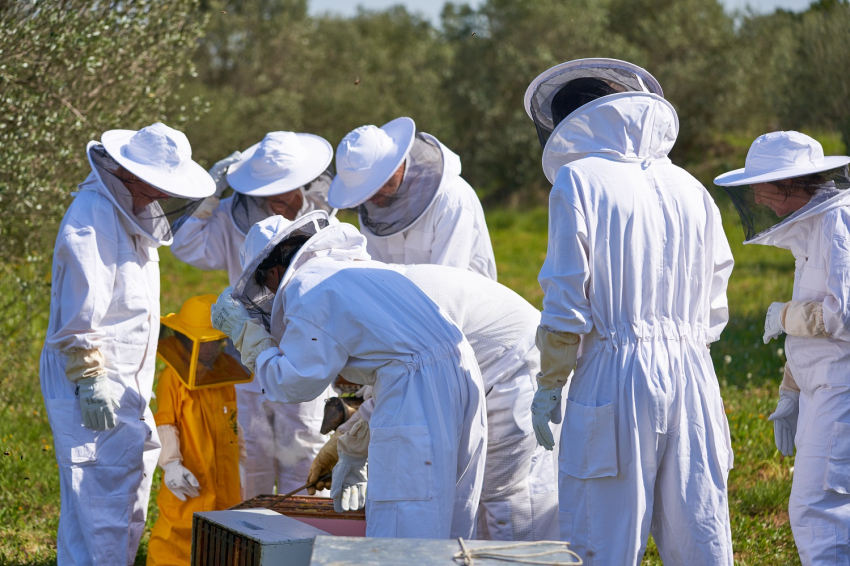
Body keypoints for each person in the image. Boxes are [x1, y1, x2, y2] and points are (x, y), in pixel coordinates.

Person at [525, 59, 735, 564]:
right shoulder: (691, 186)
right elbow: (715, 294)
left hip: (615, 376)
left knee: (602, 537)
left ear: (570, 122)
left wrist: (551, 382)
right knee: (700, 531)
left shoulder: (578, 180)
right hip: (693, 374)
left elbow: (567, 299)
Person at [212, 212, 487, 539]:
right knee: (449, 516)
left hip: (420, 389)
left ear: (273, 270)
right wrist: (353, 448)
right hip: (462, 374)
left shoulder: (307, 286)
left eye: (264, 285)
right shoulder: (351, 269)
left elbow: (292, 383)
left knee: (403, 525)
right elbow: (402, 360)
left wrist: (245, 332)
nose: (268, 294)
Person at [40, 123, 213, 564]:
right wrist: (90, 375)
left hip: (124, 388)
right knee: (101, 515)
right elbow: (83, 304)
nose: (159, 197)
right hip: (94, 388)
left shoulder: (128, 217)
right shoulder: (92, 217)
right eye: (154, 186)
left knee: (114, 511)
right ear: (127, 174)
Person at [306, 263, 560, 541]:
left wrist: (352, 448)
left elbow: (402, 388)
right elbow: (391, 388)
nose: (344, 383)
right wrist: (344, 443)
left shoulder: (380, 323)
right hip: (479, 367)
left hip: (515, 364)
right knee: (473, 495)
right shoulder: (366, 309)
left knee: (504, 495)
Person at [171, 131, 335, 498]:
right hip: (247, 347)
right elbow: (184, 245)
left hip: (308, 347)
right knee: (251, 450)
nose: (282, 200)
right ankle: (255, 540)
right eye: (270, 194)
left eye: (289, 190)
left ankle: (303, 543)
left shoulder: (323, 212)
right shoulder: (232, 216)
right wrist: (209, 194)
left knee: (306, 447)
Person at [715, 131, 850, 565]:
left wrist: (785, 314)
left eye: (765, 182)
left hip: (841, 389)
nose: (756, 194)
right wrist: (790, 390)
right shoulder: (813, 225)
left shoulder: (837, 221)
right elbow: (814, 331)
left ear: (794, 182)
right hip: (821, 388)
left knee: (816, 511)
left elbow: (841, 316)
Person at [147, 294, 250, 566]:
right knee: (180, 532)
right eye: (208, 342)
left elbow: (232, 423)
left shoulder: (225, 374)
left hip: (224, 479)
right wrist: (171, 464)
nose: (216, 347)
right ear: (188, 340)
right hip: (190, 477)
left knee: (225, 538)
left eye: (219, 341)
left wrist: (240, 460)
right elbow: (165, 421)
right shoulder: (172, 378)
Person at [327, 117, 497, 279]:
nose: (370, 198)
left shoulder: (451, 200)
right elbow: (378, 278)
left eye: (376, 185)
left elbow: (447, 287)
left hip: (463, 306)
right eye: (364, 192)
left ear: (397, 163)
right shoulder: (372, 210)